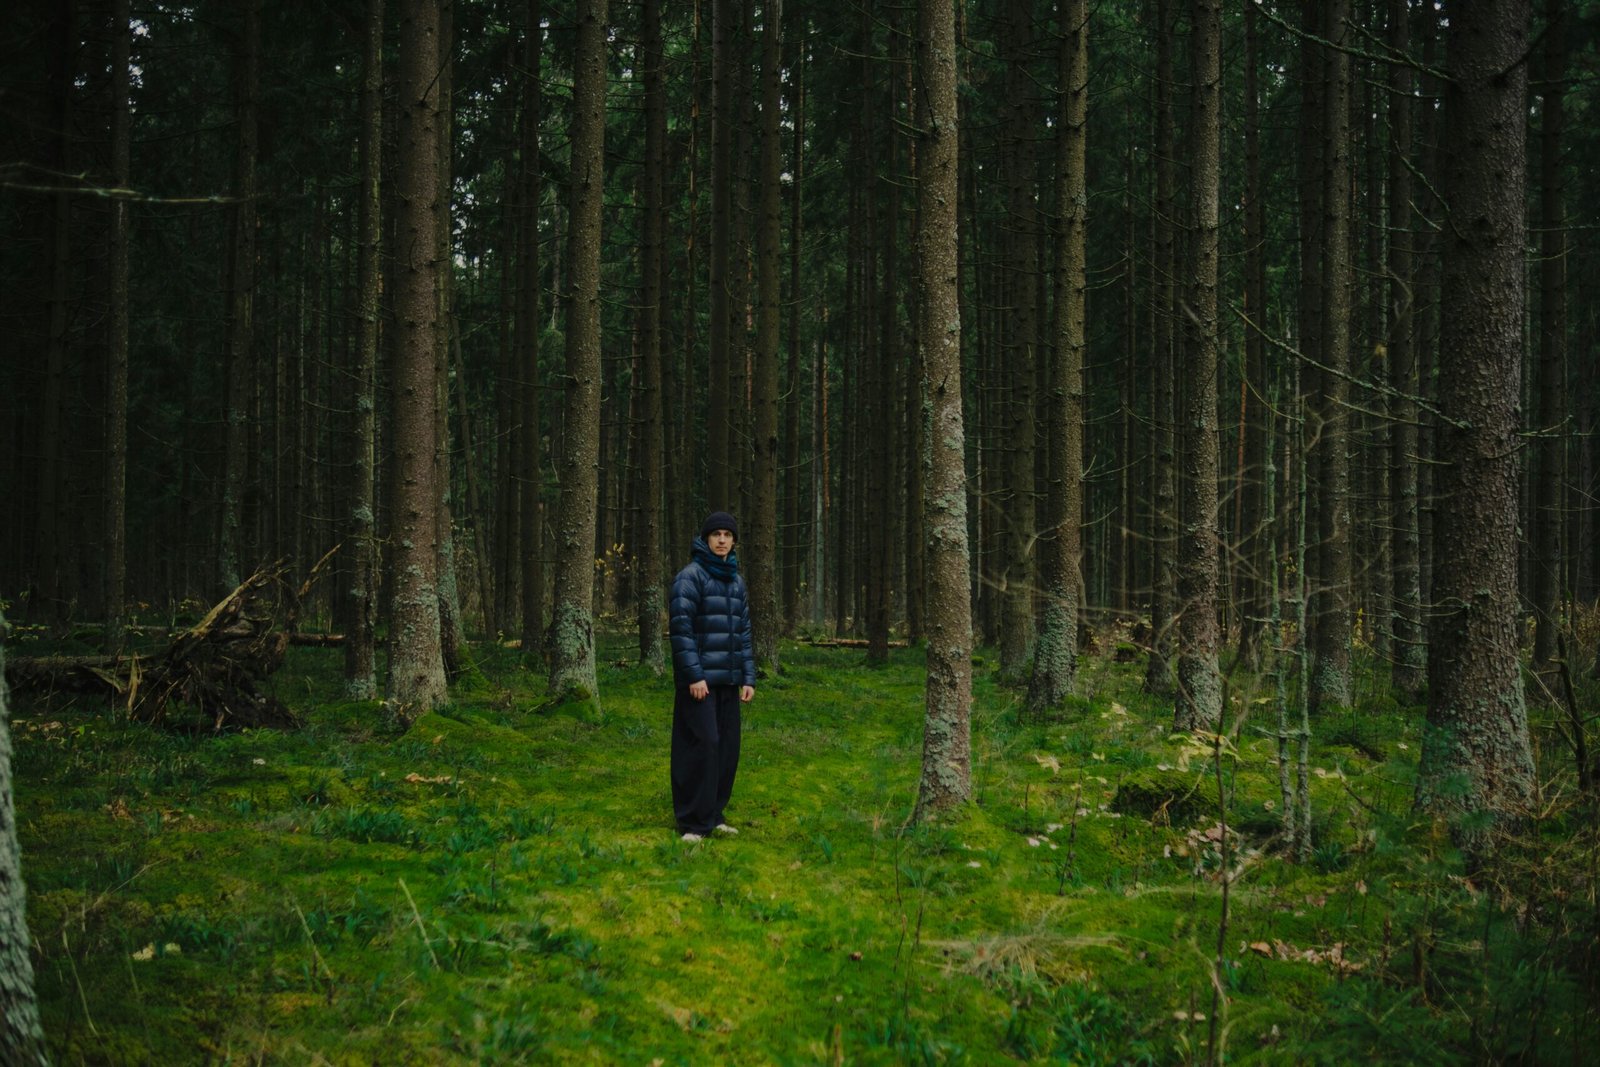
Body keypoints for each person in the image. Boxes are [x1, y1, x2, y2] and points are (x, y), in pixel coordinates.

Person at [668, 511, 756, 841]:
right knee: (702, 746)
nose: (722, 539)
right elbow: (681, 629)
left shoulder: (736, 581)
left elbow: (744, 633)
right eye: (716, 534)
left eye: (727, 535)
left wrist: (748, 677)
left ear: (734, 541)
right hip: (700, 682)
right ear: (706, 539)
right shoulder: (689, 578)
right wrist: (693, 675)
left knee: (726, 749)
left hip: (729, 681)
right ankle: (693, 822)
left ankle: (714, 814)